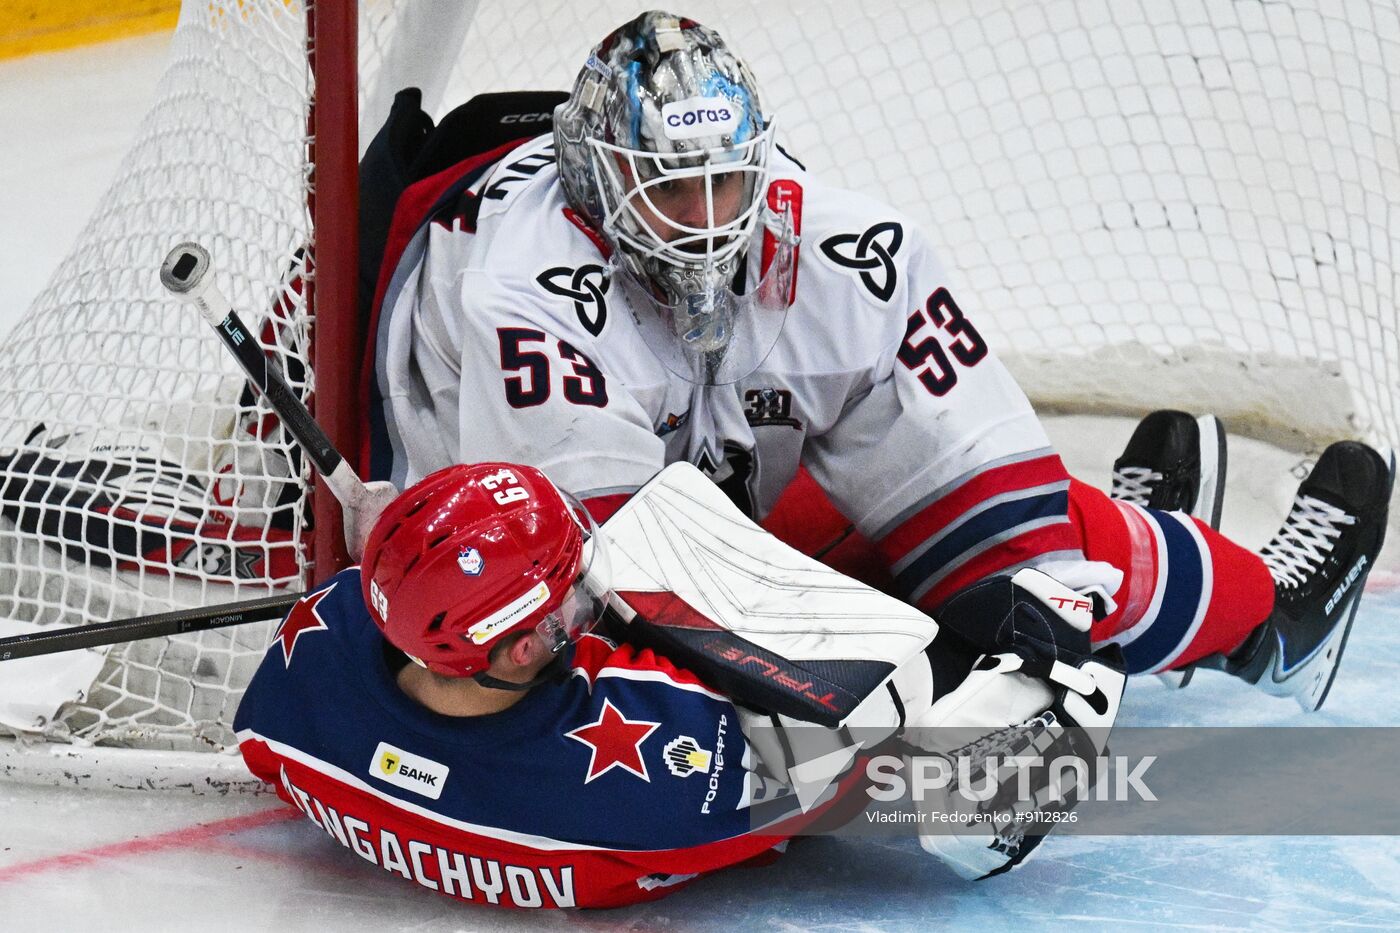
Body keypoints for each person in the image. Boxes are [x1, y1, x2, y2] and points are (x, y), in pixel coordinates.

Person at [363, 11, 1392, 711]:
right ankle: (1147, 605)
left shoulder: (839, 246)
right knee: (689, 645)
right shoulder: (525, 287)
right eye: (672, 191)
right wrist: (955, 692)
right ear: (596, 181)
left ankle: (1272, 629)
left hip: (698, 469)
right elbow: (625, 578)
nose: (708, 223)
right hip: (533, 536)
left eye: (726, 183)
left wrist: (1034, 623)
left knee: (1031, 547)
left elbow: (969, 482)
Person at [234, 459, 1125, 906]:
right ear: (512, 650)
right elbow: (852, 769)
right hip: (727, 792)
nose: (586, 587)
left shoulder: (302, 676)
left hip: (561, 749)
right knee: (994, 678)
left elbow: (392, 586)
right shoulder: (663, 781)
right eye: (564, 594)